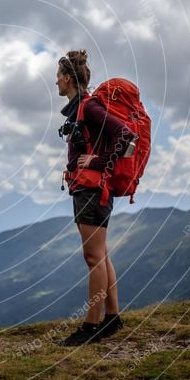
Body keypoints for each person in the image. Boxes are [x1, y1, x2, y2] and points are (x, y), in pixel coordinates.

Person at [55, 50, 136, 346]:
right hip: (88, 189)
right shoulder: (81, 108)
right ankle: (112, 318)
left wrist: (99, 162)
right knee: (100, 255)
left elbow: (126, 135)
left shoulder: (88, 108)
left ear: (68, 79)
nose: (56, 84)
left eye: (58, 78)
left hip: (92, 189)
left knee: (92, 258)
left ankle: (90, 327)